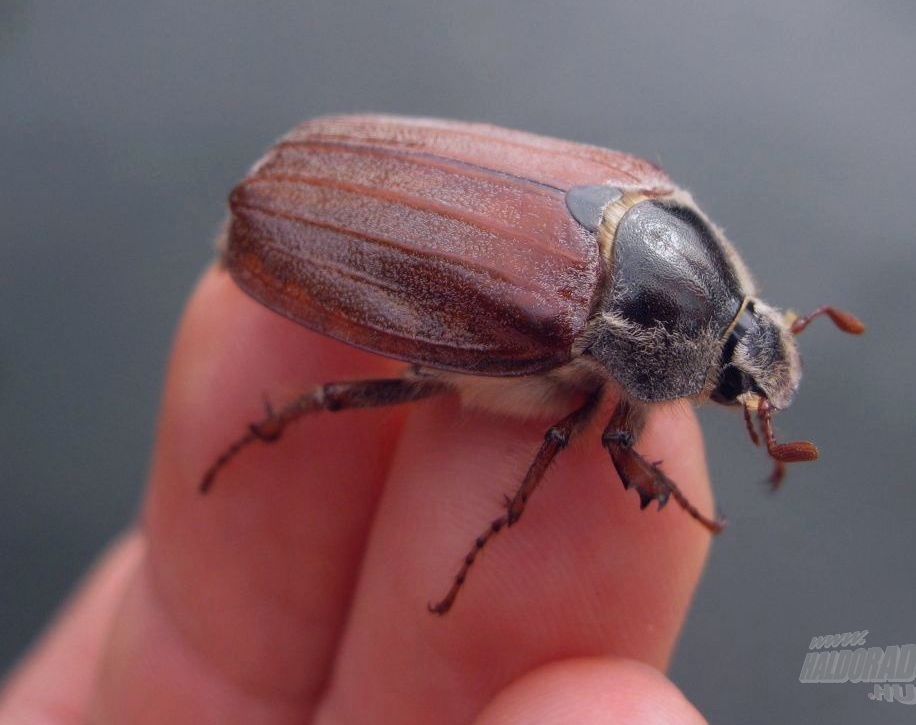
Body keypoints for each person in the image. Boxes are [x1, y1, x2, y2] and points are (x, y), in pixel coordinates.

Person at [0, 268, 713, 723]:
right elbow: (581, 440)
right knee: (348, 395)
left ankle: (271, 423)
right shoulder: (590, 351)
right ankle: (272, 421)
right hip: (383, 271)